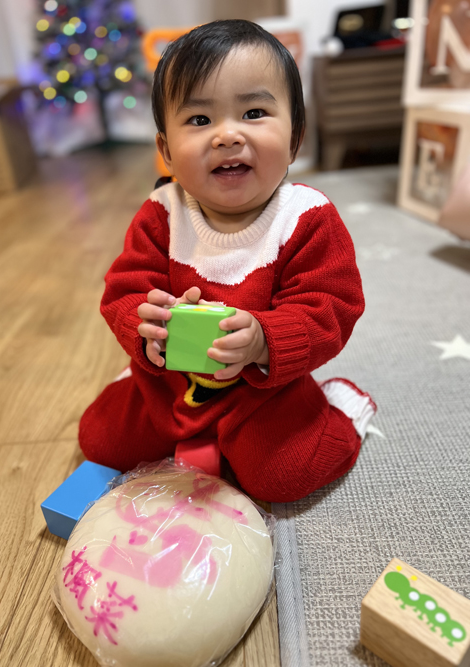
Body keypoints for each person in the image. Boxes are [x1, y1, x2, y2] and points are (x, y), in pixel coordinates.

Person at [79, 20, 376, 503]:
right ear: (166, 151)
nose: (227, 136)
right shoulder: (162, 213)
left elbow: (332, 307)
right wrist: (143, 326)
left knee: (284, 477)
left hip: (264, 393)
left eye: (254, 112)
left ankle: (341, 408)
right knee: (100, 439)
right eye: (199, 120)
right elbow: (123, 289)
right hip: (169, 385)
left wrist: (264, 339)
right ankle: (182, 424)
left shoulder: (306, 218)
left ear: (296, 137)